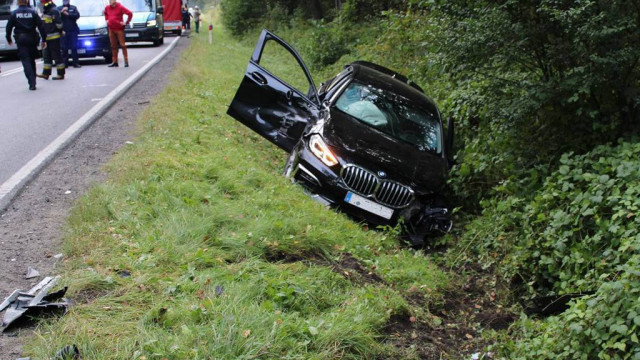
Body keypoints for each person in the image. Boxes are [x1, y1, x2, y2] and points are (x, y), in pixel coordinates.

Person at [5, 0, 47, 90]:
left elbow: (8, 27)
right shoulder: (33, 12)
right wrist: (44, 39)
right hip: (32, 38)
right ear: (27, 2)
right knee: (32, 60)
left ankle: (31, 82)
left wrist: (8, 38)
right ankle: (33, 81)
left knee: (25, 60)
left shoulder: (14, 13)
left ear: (18, 3)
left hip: (21, 39)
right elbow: (41, 26)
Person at [37, 0, 65, 80]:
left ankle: (61, 74)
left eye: (42, 2)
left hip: (54, 37)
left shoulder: (54, 10)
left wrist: (60, 31)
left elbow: (59, 24)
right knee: (46, 56)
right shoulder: (47, 10)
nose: (41, 4)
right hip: (46, 37)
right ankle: (45, 73)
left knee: (57, 56)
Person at [103, 0, 132, 67]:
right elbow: (105, 13)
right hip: (111, 29)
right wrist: (107, 20)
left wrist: (126, 22)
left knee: (122, 45)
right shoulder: (107, 7)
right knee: (113, 46)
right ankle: (115, 61)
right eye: (109, 0)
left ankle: (126, 61)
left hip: (119, 29)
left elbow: (130, 13)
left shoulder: (120, 7)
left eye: (111, 0)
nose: (110, 1)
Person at [58, 0, 81, 68]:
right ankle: (65, 63)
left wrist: (68, 13)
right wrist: (62, 11)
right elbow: (56, 17)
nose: (65, 1)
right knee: (64, 48)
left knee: (74, 47)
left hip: (73, 30)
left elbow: (77, 15)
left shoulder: (73, 8)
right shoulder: (59, 8)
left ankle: (75, 63)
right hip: (63, 31)